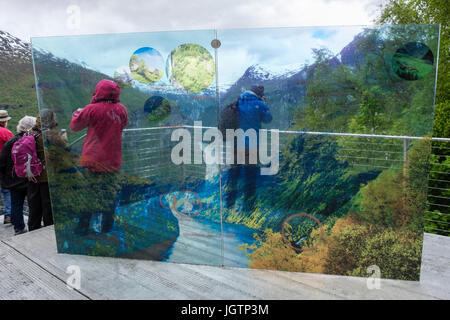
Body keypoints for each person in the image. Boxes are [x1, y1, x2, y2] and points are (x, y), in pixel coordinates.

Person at [70, 79, 128, 236]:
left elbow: (75, 127)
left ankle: (82, 228)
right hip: (112, 162)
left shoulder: (91, 109)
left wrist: (77, 113)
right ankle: (106, 228)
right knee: (109, 195)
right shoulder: (121, 109)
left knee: (88, 195)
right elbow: (123, 124)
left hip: (92, 161)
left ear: (98, 92)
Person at [225, 85, 272, 212]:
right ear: (259, 94)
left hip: (235, 144)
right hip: (251, 146)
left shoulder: (238, 101)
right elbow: (268, 119)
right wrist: (264, 105)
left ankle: (229, 203)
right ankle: (248, 207)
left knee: (233, 174)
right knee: (250, 176)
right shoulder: (259, 104)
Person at [27, 110, 67, 231]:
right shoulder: (53, 135)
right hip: (48, 175)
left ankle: (33, 227)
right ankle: (49, 227)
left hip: (32, 174)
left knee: (34, 203)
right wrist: (64, 138)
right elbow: (65, 152)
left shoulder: (31, 133)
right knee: (47, 202)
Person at [0, 116, 36, 235]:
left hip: (14, 179)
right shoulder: (33, 140)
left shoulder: (11, 141)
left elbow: (2, 161)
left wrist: (6, 177)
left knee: (16, 204)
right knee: (34, 203)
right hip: (31, 177)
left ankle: (19, 228)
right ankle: (34, 225)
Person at [0, 110, 14, 224]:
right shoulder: (5, 132)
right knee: (7, 191)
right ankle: (8, 215)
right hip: (3, 167)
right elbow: (15, 146)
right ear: (4, 122)